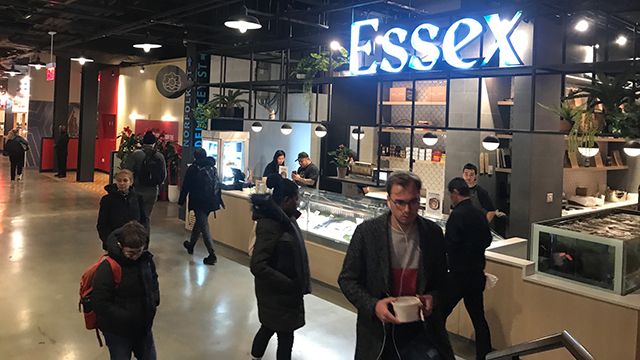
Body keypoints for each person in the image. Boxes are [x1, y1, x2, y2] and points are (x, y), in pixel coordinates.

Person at [338, 171, 455, 360]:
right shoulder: (367, 233)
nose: (407, 209)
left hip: (422, 330)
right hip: (379, 331)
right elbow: (347, 280)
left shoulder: (432, 233)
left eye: (413, 202)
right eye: (400, 202)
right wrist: (374, 305)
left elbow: (443, 282)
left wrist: (433, 298)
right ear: (388, 201)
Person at [249, 174, 311, 360]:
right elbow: (258, 265)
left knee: (269, 327)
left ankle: (254, 357)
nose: (298, 202)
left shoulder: (287, 219)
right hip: (279, 293)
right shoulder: (271, 224)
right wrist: (288, 283)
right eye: (295, 198)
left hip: (282, 295)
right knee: (285, 337)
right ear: (285, 200)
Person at [92, 221, 159, 360]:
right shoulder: (108, 267)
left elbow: (153, 280)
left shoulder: (146, 260)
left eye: (139, 251)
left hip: (143, 328)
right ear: (120, 246)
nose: (135, 256)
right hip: (117, 332)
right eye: (130, 253)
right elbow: (100, 303)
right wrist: (128, 317)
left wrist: (154, 300)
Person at [442, 177, 493, 360]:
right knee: (479, 320)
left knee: (438, 315)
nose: (450, 198)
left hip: (458, 276)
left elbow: (450, 245)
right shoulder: (479, 213)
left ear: (455, 193)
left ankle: (440, 352)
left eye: (450, 194)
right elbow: (487, 239)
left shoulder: (457, 215)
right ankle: (484, 356)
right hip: (477, 274)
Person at [178, 148, 224, 266]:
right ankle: (191, 245)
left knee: (204, 226)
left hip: (199, 202)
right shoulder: (212, 167)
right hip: (211, 202)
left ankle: (212, 254)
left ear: (195, 157)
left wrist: (181, 201)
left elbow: (186, 186)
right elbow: (217, 185)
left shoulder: (193, 169)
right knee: (199, 223)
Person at [97, 169, 147, 250]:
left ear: (131, 182)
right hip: (114, 242)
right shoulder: (107, 200)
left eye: (125, 180)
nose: (122, 183)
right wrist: (108, 241)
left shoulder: (138, 198)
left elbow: (144, 220)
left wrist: (143, 239)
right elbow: (102, 223)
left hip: (134, 243)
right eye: (119, 180)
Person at [124, 131, 167, 221]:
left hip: (137, 190)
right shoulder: (159, 156)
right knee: (146, 217)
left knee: (135, 217)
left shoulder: (136, 155)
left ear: (143, 142)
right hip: (153, 191)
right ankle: (145, 234)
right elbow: (164, 175)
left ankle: (136, 233)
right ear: (154, 143)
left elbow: (127, 172)